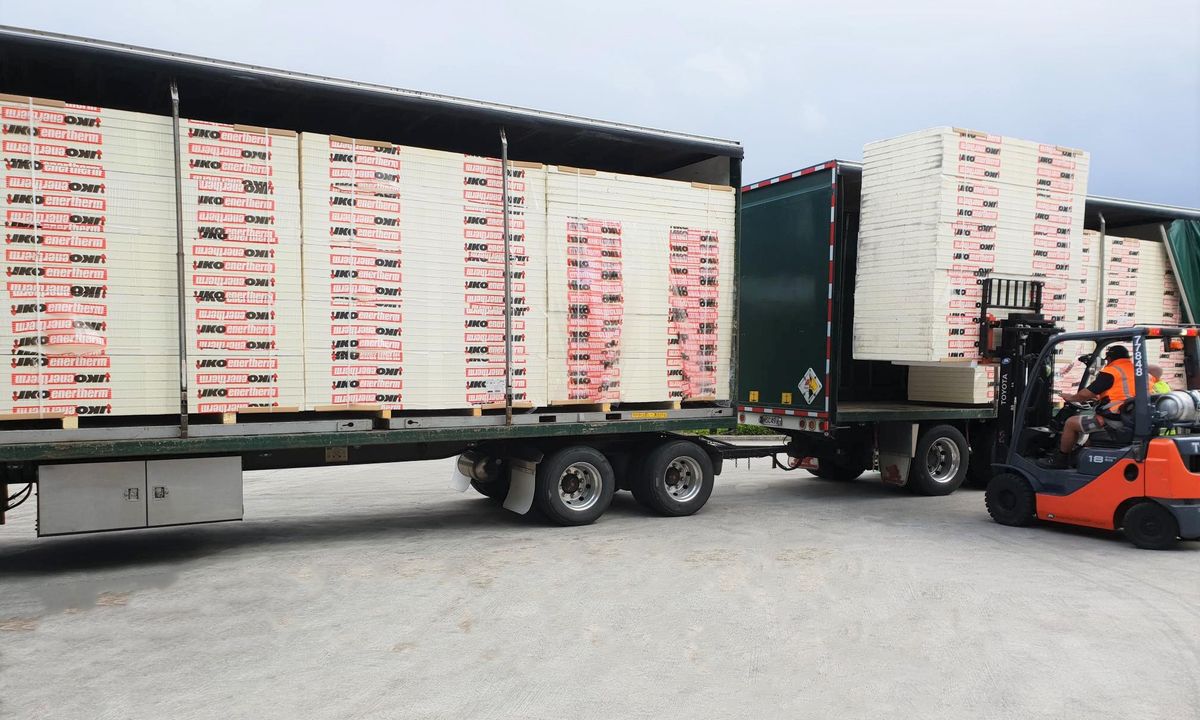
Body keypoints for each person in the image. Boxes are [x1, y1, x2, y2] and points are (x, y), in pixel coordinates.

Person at [1039, 345, 1162, 469]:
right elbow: (1125, 393)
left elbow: (1086, 394)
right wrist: (1099, 398)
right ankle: (1077, 459)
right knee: (1089, 440)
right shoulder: (1140, 372)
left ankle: (1061, 460)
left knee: (1071, 423)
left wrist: (1071, 397)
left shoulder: (1112, 371)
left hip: (1115, 421)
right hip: (1132, 418)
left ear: (1109, 358)